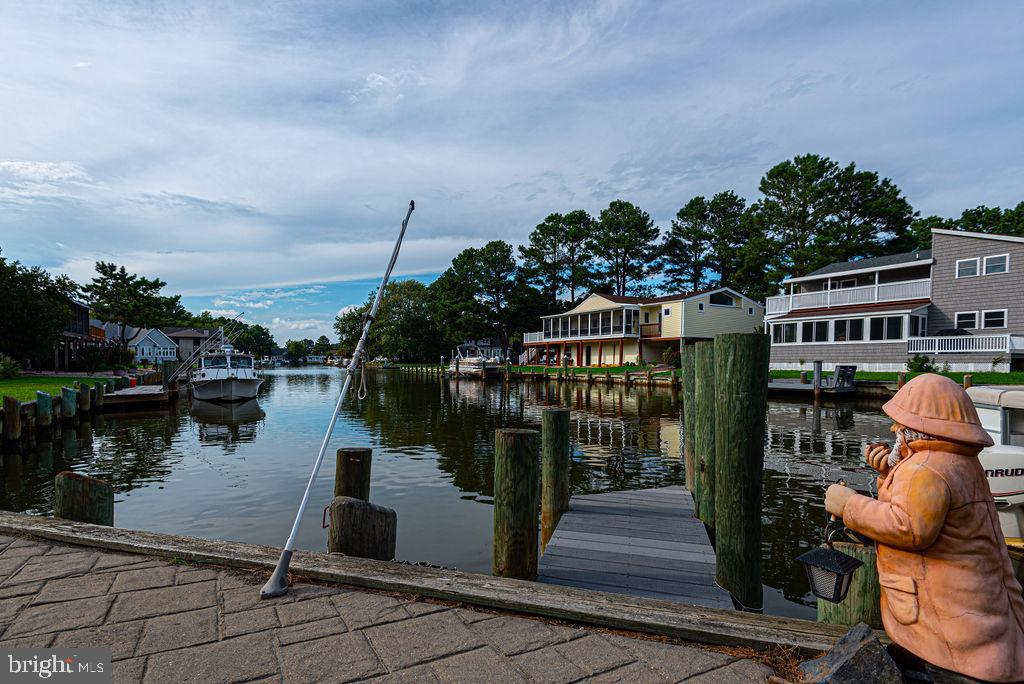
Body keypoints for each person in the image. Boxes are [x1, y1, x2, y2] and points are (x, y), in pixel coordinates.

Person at [824, 373, 1024, 682]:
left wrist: (847, 503)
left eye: (900, 424)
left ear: (918, 427)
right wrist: (890, 473)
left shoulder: (924, 470)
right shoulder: (962, 463)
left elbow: (907, 527)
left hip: (955, 635)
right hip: (983, 622)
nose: (894, 430)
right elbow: (919, 507)